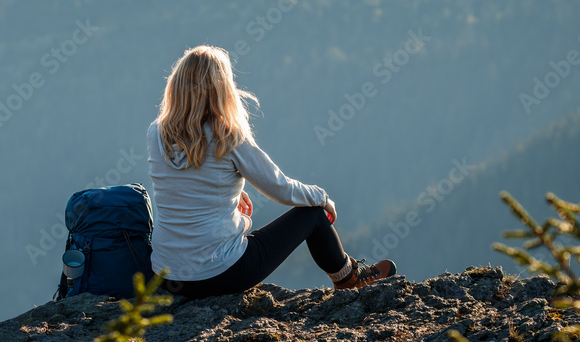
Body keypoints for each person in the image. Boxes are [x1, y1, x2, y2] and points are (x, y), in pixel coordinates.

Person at [147, 45, 396, 298]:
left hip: (167, 276)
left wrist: (230, 192)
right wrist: (321, 198)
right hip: (218, 273)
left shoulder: (157, 133)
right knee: (312, 215)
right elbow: (280, 188)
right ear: (221, 89)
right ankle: (349, 278)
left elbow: (186, 183)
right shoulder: (228, 136)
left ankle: (348, 276)